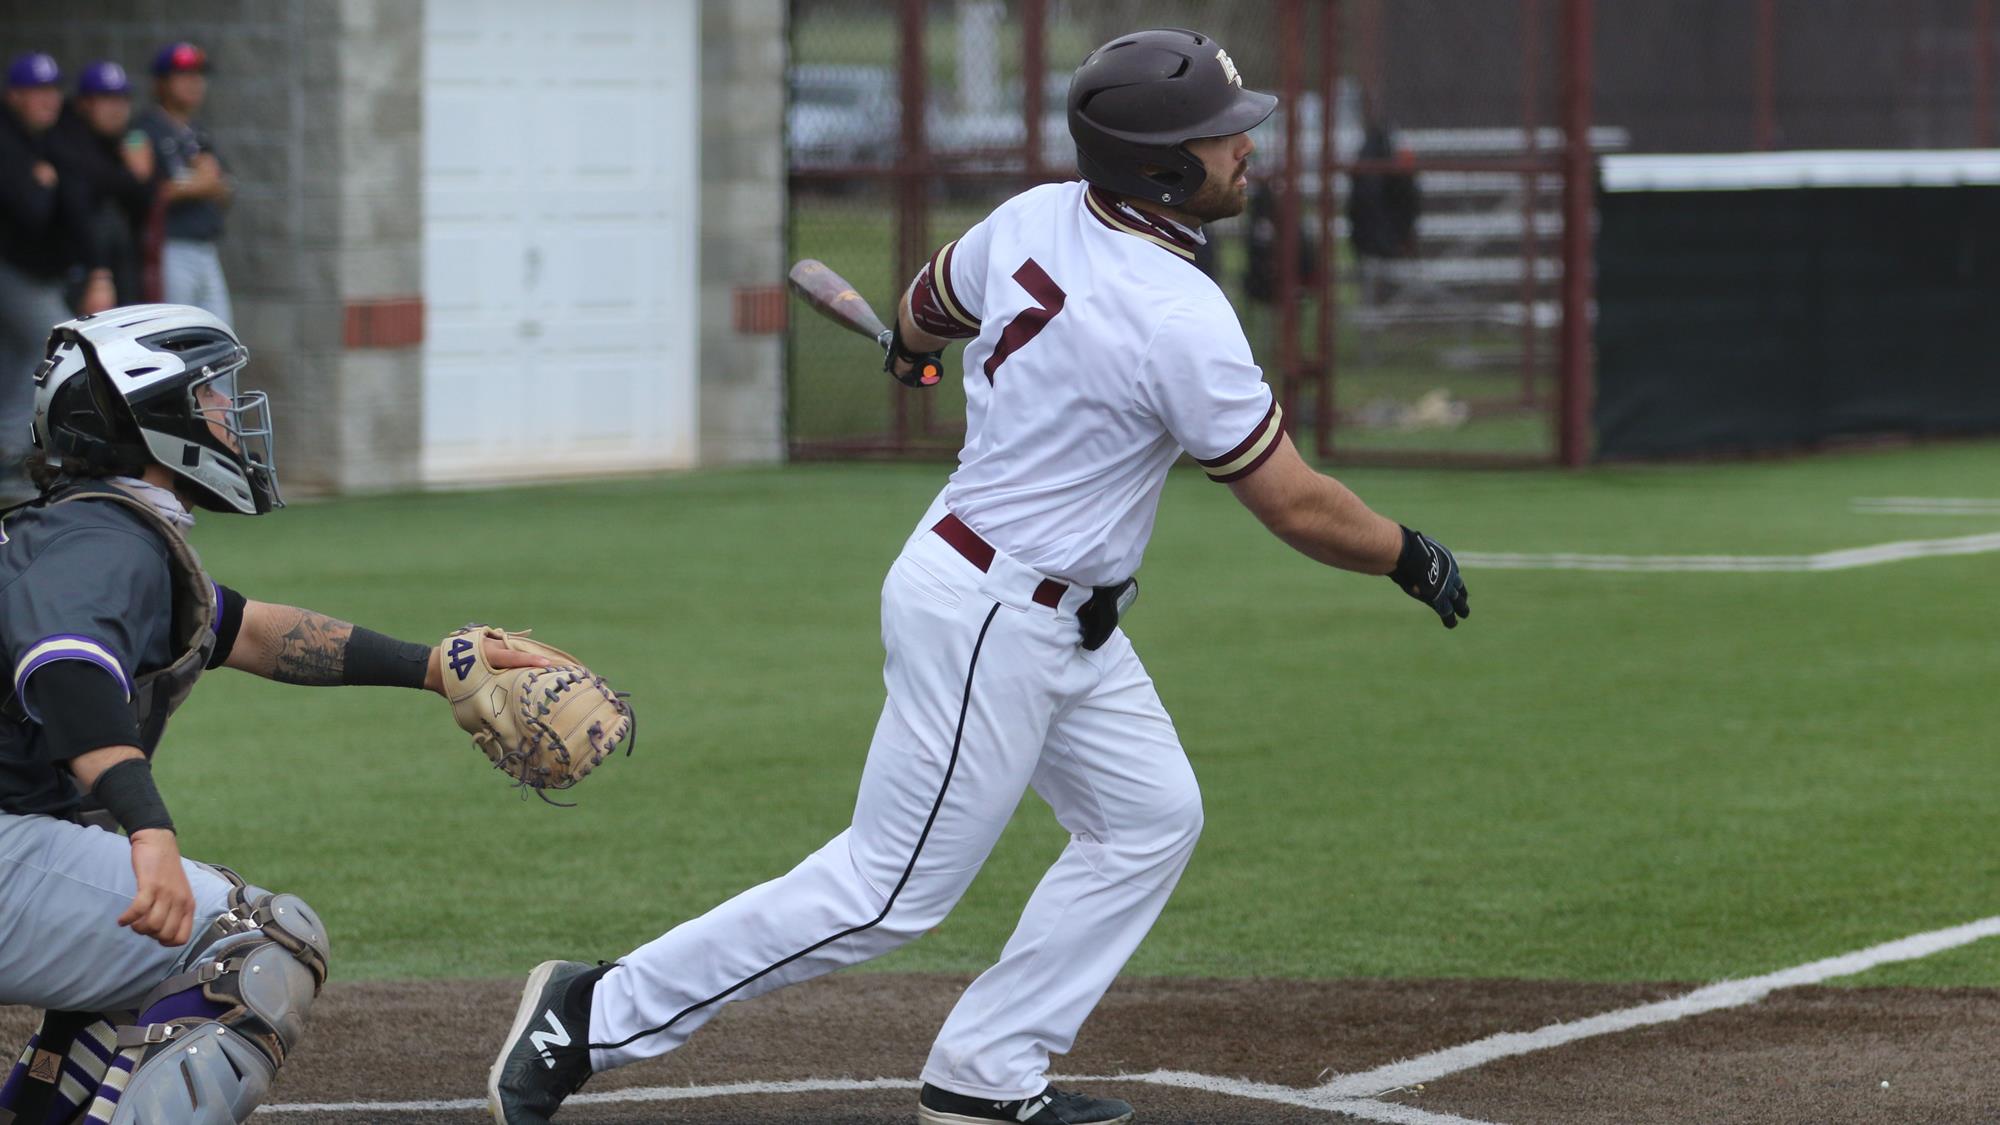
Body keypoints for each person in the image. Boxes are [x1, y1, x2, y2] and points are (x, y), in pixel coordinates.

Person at [488, 27, 1470, 1125]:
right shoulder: (1177, 314)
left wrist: (909, 349)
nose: (1245, 152)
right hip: (990, 619)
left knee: (1148, 819)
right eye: (1220, 138)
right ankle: (594, 1012)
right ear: (1158, 166)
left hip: (1053, 614)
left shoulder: (1036, 215)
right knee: (884, 892)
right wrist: (1403, 550)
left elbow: (926, 305)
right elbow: (1290, 501)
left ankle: (986, 1071)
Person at [0, 304, 553, 1124]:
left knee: (156, 947)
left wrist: (434, 667)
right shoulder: (106, 543)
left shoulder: (83, 531)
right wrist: (147, 828)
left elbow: (252, 631)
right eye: (210, 394)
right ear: (150, 416)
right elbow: (67, 668)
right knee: (256, 944)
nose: (229, 412)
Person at [0, 52, 103, 500]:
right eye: (36, 91)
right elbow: (31, 211)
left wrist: (50, 179)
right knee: (54, 348)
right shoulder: (7, 140)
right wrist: (47, 184)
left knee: (18, 359)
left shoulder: (52, 140)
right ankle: (12, 461)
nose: (47, 100)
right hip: (10, 268)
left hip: (42, 272)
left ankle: (12, 460)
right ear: (15, 96)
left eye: (52, 90)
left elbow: (90, 196)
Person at [136, 43, 233, 327]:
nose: (194, 83)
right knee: (176, 336)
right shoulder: (144, 129)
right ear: (161, 83)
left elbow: (225, 188)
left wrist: (205, 184)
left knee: (220, 338)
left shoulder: (197, 132)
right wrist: (201, 184)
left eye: (198, 75)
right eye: (183, 75)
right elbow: (149, 191)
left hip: (206, 247)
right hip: (169, 248)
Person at [51, 61, 156, 309]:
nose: (117, 108)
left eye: (122, 99)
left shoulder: (125, 138)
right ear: (84, 103)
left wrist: (141, 178)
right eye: (107, 99)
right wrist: (133, 176)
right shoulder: (65, 132)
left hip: (117, 265)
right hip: (73, 266)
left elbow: (146, 200)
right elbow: (93, 182)